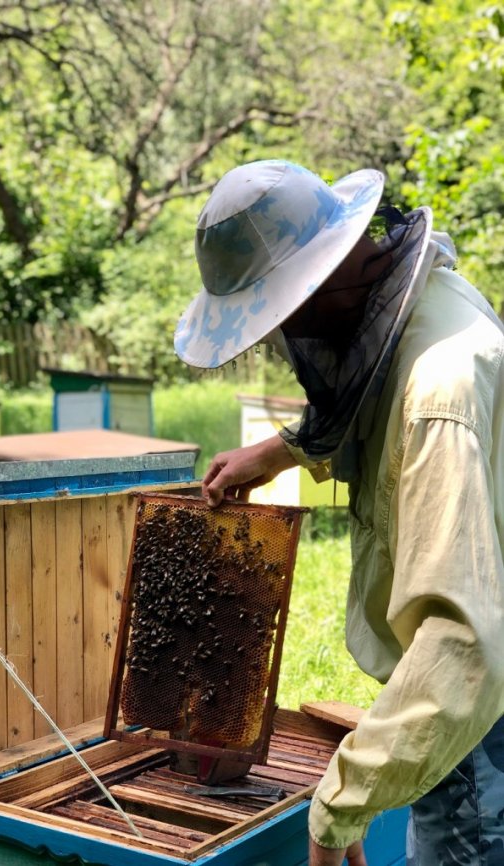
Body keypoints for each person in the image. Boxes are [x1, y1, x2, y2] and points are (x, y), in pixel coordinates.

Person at [174, 159, 504, 866]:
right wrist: (284, 449)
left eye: (277, 317)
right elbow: (371, 408)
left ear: (318, 289)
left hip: (475, 724)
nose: (279, 340)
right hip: (459, 716)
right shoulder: (433, 307)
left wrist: (338, 808)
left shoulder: (437, 394)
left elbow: (466, 645)